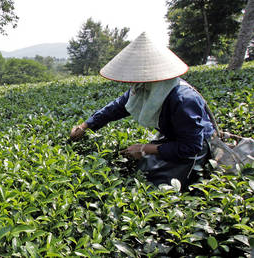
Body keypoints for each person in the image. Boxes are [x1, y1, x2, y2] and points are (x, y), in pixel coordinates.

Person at [70, 32, 215, 190]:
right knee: (143, 169)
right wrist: (85, 126)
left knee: (157, 186)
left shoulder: (183, 100)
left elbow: (191, 146)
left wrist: (144, 149)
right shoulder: (144, 88)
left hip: (195, 147)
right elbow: (117, 107)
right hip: (173, 139)